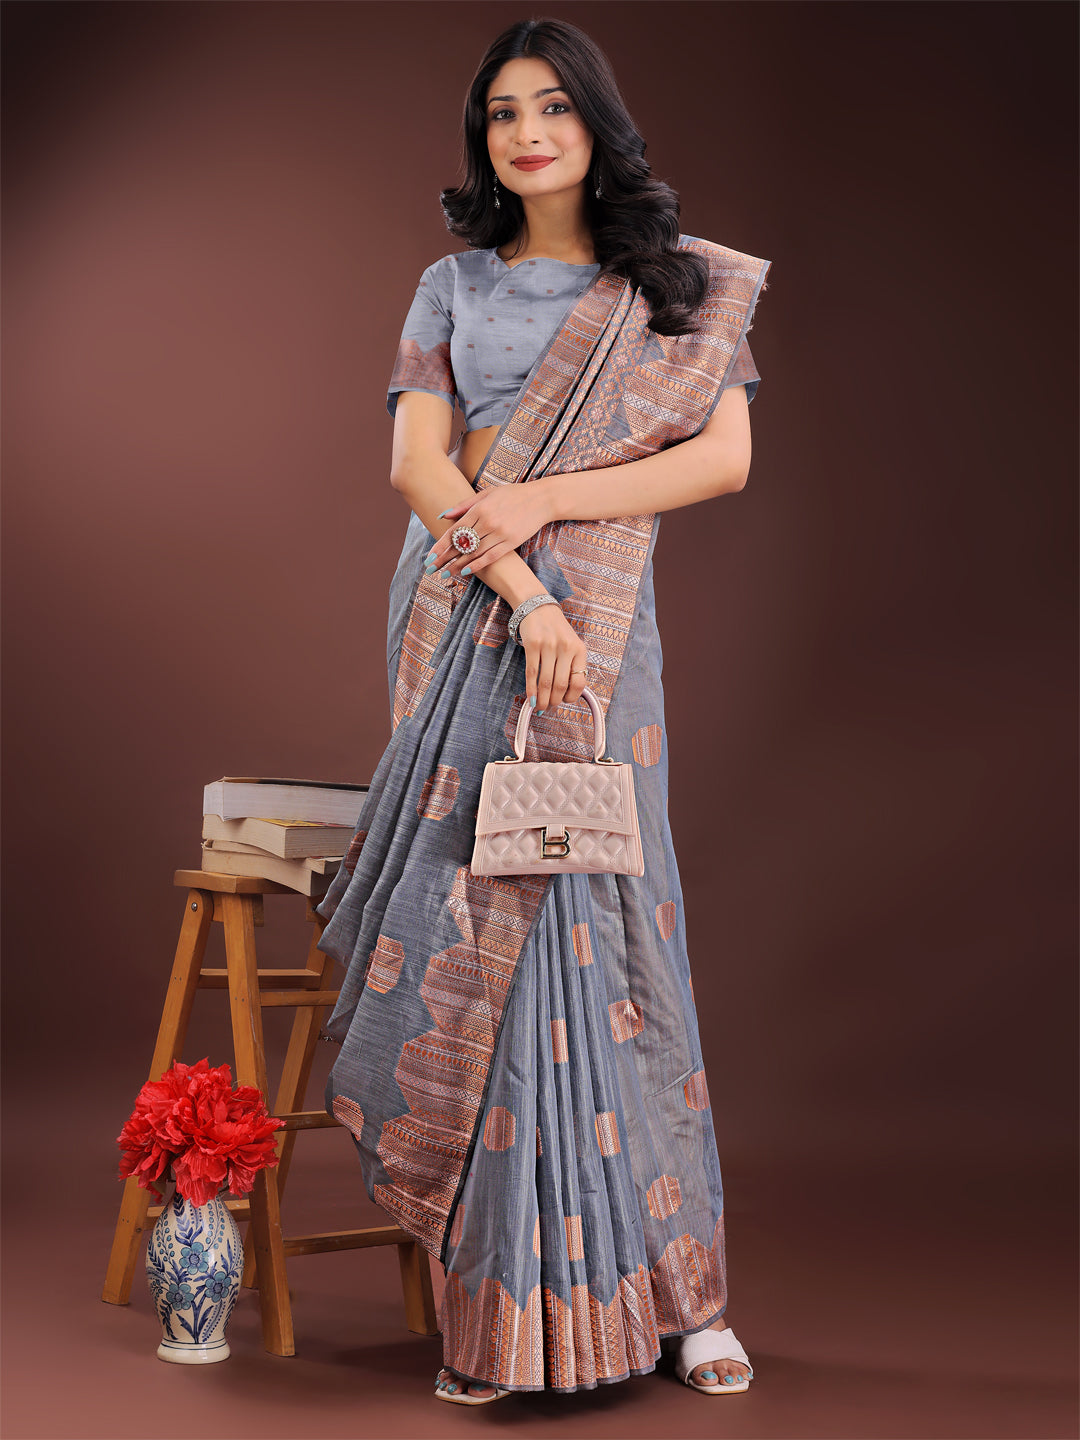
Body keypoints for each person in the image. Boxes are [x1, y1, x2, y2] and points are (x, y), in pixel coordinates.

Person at [313, 15, 771, 1404]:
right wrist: (526, 591)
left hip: (607, 640)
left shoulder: (674, 287)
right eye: (503, 112)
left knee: (616, 928)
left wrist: (546, 501)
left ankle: (684, 1299)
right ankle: (500, 1318)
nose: (525, 133)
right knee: (486, 939)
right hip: (475, 616)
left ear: (596, 124)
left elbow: (725, 461)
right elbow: (418, 467)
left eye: (553, 107)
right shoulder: (451, 284)